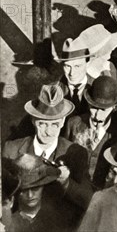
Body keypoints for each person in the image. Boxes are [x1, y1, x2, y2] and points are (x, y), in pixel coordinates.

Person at [3, 84, 93, 227]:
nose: (49, 132)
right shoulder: (12, 149)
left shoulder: (75, 153)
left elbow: (89, 200)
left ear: (63, 122)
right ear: (33, 121)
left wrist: (66, 183)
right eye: (43, 124)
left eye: (55, 125)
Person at [63, 75, 117, 189]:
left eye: (103, 110)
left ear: (115, 107)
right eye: (93, 108)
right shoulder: (73, 123)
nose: (97, 115)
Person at [56, 25, 117, 116]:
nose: (72, 73)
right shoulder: (55, 88)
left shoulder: (100, 86)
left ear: (87, 64)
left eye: (77, 66)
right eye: (67, 66)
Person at [8, 154, 63, 232]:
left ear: (44, 185)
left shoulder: (58, 219)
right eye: (23, 190)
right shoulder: (6, 223)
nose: (30, 195)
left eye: (35, 188)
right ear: (16, 191)